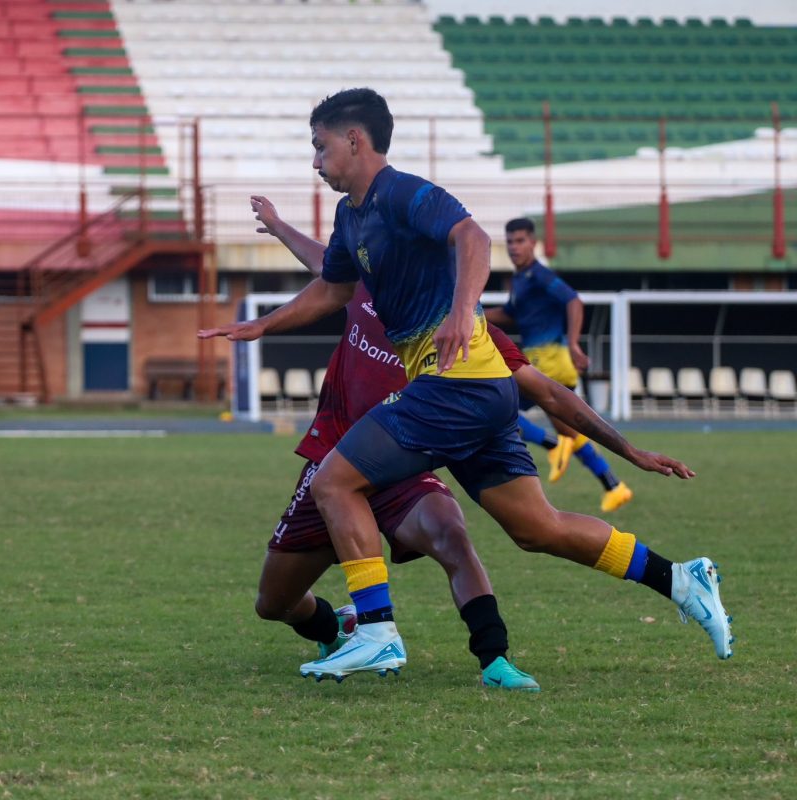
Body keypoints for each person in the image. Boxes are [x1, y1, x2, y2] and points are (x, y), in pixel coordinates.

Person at [200, 88, 733, 682]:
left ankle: (374, 631)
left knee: (333, 483)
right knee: (538, 528)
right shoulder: (352, 218)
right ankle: (681, 579)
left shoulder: (401, 192)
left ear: (355, 140)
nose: (315, 162)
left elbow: (473, 238)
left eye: (320, 147)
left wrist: (461, 308)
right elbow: (330, 288)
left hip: (457, 388)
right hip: (481, 397)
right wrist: (264, 324)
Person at [251, 196, 696, 691]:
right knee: (274, 603)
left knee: (452, 533)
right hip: (334, 460)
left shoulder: (472, 333)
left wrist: (629, 450)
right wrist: (277, 224)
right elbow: (322, 260)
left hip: (401, 465)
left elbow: (549, 392)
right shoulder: (364, 284)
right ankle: (341, 628)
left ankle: (494, 658)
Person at [485, 218, 632, 512]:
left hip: (546, 360)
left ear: (533, 243)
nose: (514, 247)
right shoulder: (522, 280)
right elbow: (511, 313)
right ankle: (614, 486)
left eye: (520, 241)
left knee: (496, 409)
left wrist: (575, 342)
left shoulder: (539, 275)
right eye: (510, 241)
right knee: (570, 430)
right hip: (550, 363)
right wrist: (472, 313)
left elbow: (573, 301)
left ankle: (552, 445)